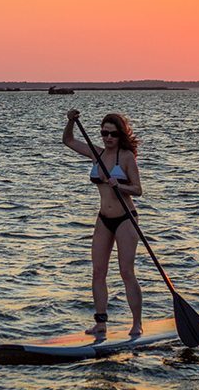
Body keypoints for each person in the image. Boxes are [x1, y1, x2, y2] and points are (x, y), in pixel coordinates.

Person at [62, 109, 143, 336]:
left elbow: (138, 190)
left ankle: (137, 323)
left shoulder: (126, 157)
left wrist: (120, 186)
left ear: (121, 135)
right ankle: (101, 322)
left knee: (126, 272)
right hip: (103, 219)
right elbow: (68, 140)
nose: (108, 138)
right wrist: (70, 121)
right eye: (104, 133)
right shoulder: (96, 154)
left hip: (126, 219)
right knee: (98, 272)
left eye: (113, 134)